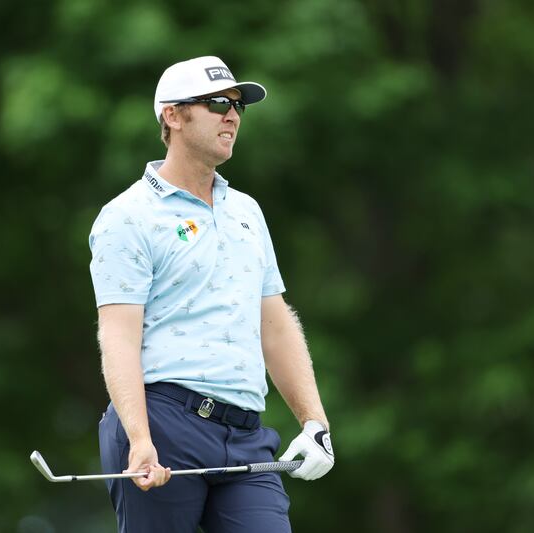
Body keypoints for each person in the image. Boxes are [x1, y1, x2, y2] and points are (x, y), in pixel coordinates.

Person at [88, 56, 334, 533]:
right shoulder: (127, 216)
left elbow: (275, 322)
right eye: (217, 103)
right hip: (162, 423)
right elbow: (117, 336)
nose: (233, 115)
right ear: (173, 116)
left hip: (244, 435)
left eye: (238, 105)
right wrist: (138, 437)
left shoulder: (246, 211)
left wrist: (314, 422)